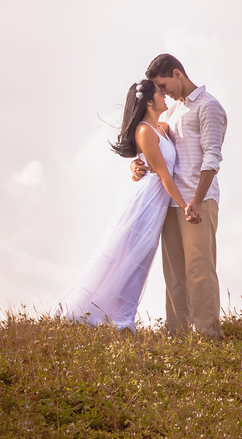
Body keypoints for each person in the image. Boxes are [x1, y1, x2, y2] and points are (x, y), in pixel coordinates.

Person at [54, 79, 192, 331]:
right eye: (160, 94)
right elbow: (163, 175)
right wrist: (185, 206)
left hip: (157, 201)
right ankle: (115, 317)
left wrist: (134, 165)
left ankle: (123, 317)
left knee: (142, 258)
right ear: (149, 101)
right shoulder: (144, 131)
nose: (165, 97)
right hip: (147, 201)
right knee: (130, 257)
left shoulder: (161, 127)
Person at [132, 54, 227, 339]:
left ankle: (209, 335)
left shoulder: (209, 107)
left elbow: (212, 157)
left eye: (163, 85)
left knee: (199, 269)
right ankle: (177, 335)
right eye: (159, 89)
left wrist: (196, 201)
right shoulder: (173, 112)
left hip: (199, 200)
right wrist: (139, 164)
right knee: (174, 273)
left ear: (177, 74)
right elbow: (158, 147)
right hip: (171, 203)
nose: (163, 93)